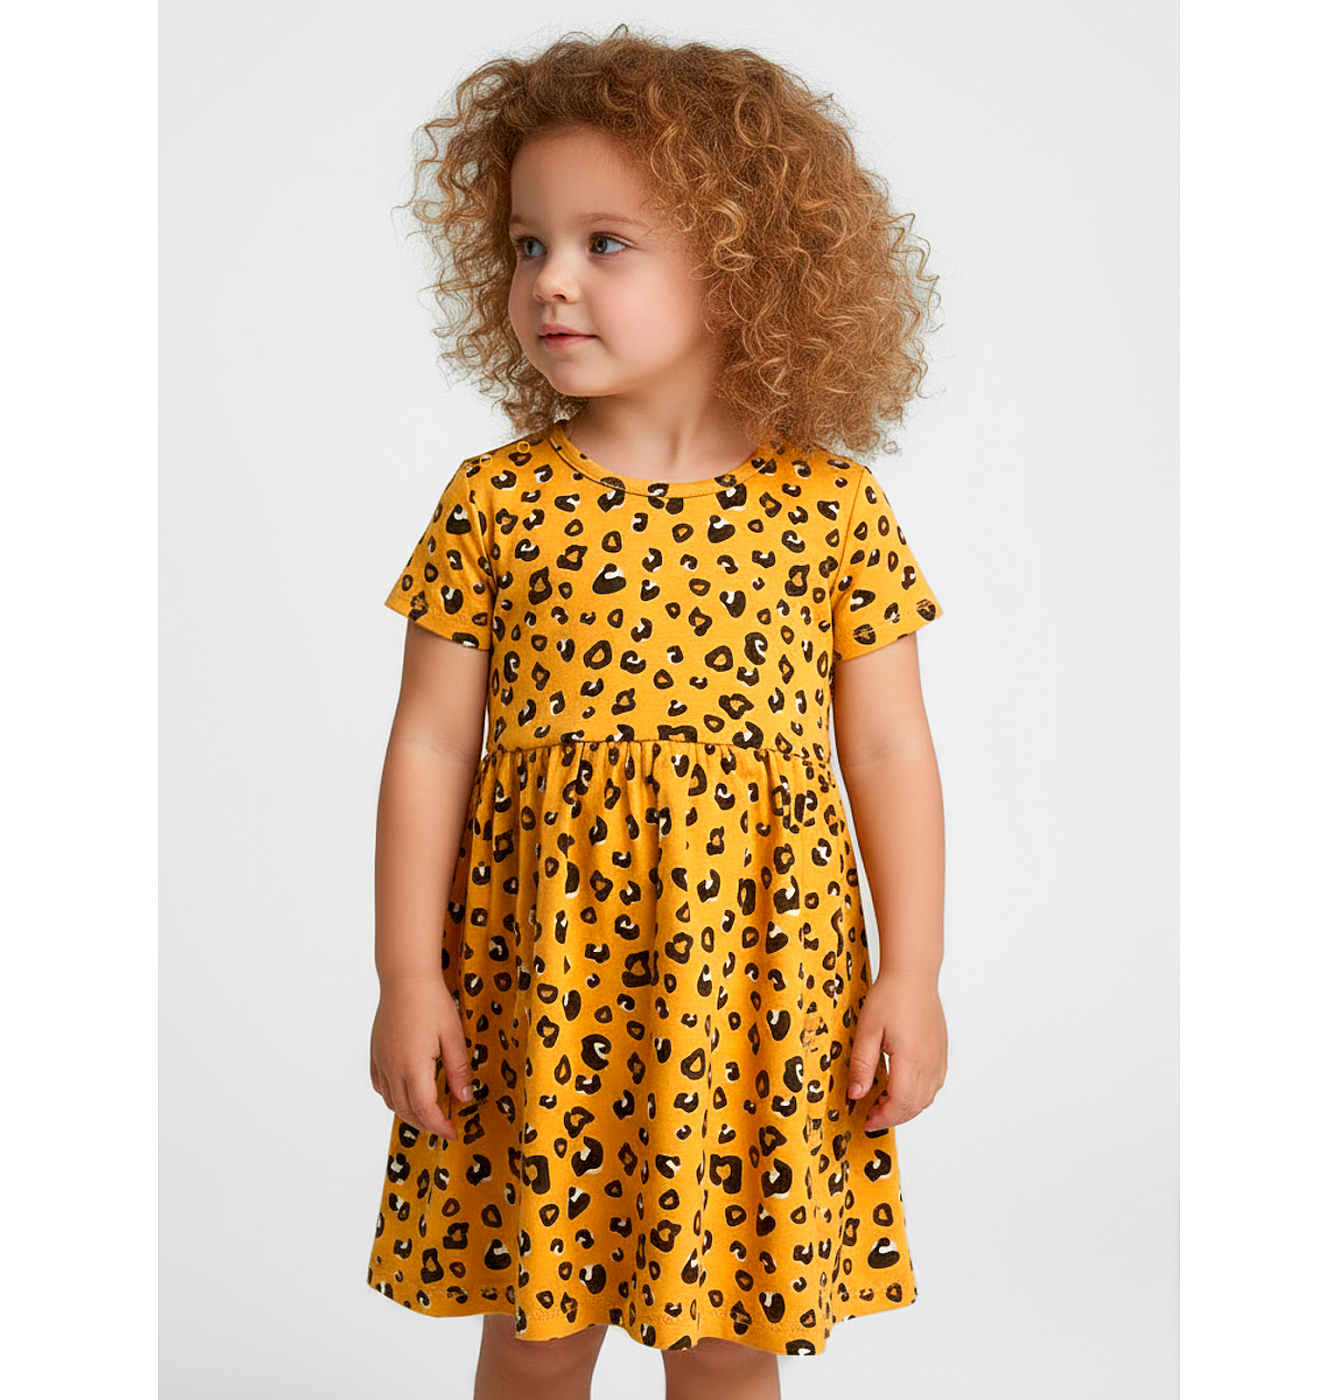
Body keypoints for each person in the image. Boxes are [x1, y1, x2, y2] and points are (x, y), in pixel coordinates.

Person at [366, 25, 948, 1400]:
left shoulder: (830, 508)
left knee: (730, 1330)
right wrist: (406, 977)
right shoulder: (498, 501)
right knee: (535, 1328)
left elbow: (887, 748)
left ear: (744, 264)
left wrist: (912, 975)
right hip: (540, 976)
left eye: (605, 244)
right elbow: (431, 744)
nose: (551, 281)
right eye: (528, 246)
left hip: (755, 985)